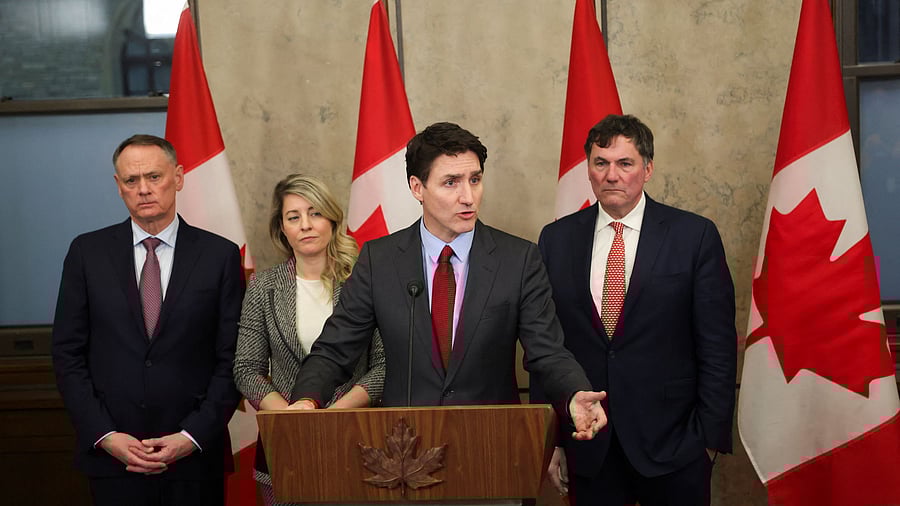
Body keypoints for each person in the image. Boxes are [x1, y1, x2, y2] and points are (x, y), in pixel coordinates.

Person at [289, 122, 606, 441]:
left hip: (493, 448)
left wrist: (573, 393)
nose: (468, 197)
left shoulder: (519, 260)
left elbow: (547, 351)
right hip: (403, 452)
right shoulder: (380, 260)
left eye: (475, 180)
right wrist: (307, 398)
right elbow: (336, 348)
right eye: (451, 183)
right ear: (417, 188)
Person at [535, 114, 737, 505]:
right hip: (589, 445)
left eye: (625, 164)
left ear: (647, 169)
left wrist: (708, 440)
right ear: (589, 171)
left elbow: (717, 347)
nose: (612, 175)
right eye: (601, 163)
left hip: (676, 444)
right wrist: (553, 440)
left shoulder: (694, 236)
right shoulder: (556, 239)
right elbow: (546, 346)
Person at [51, 134, 244, 506]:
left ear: (179, 177)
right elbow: (67, 354)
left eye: (154, 177)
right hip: (112, 458)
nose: (143, 189)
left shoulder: (220, 255)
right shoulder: (86, 253)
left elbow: (233, 357)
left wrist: (190, 436)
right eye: (131, 180)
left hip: (194, 459)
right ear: (118, 186)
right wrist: (106, 435)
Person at [233, 174, 385, 505]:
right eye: (293, 217)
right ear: (282, 228)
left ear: (332, 218)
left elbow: (384, 366)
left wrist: (334, 414)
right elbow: (246, 368)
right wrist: (291, 416)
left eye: (315, 213)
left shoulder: (364, 282)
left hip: (357, 436)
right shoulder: (263, 288)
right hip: (287, 441)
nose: (305, 225)